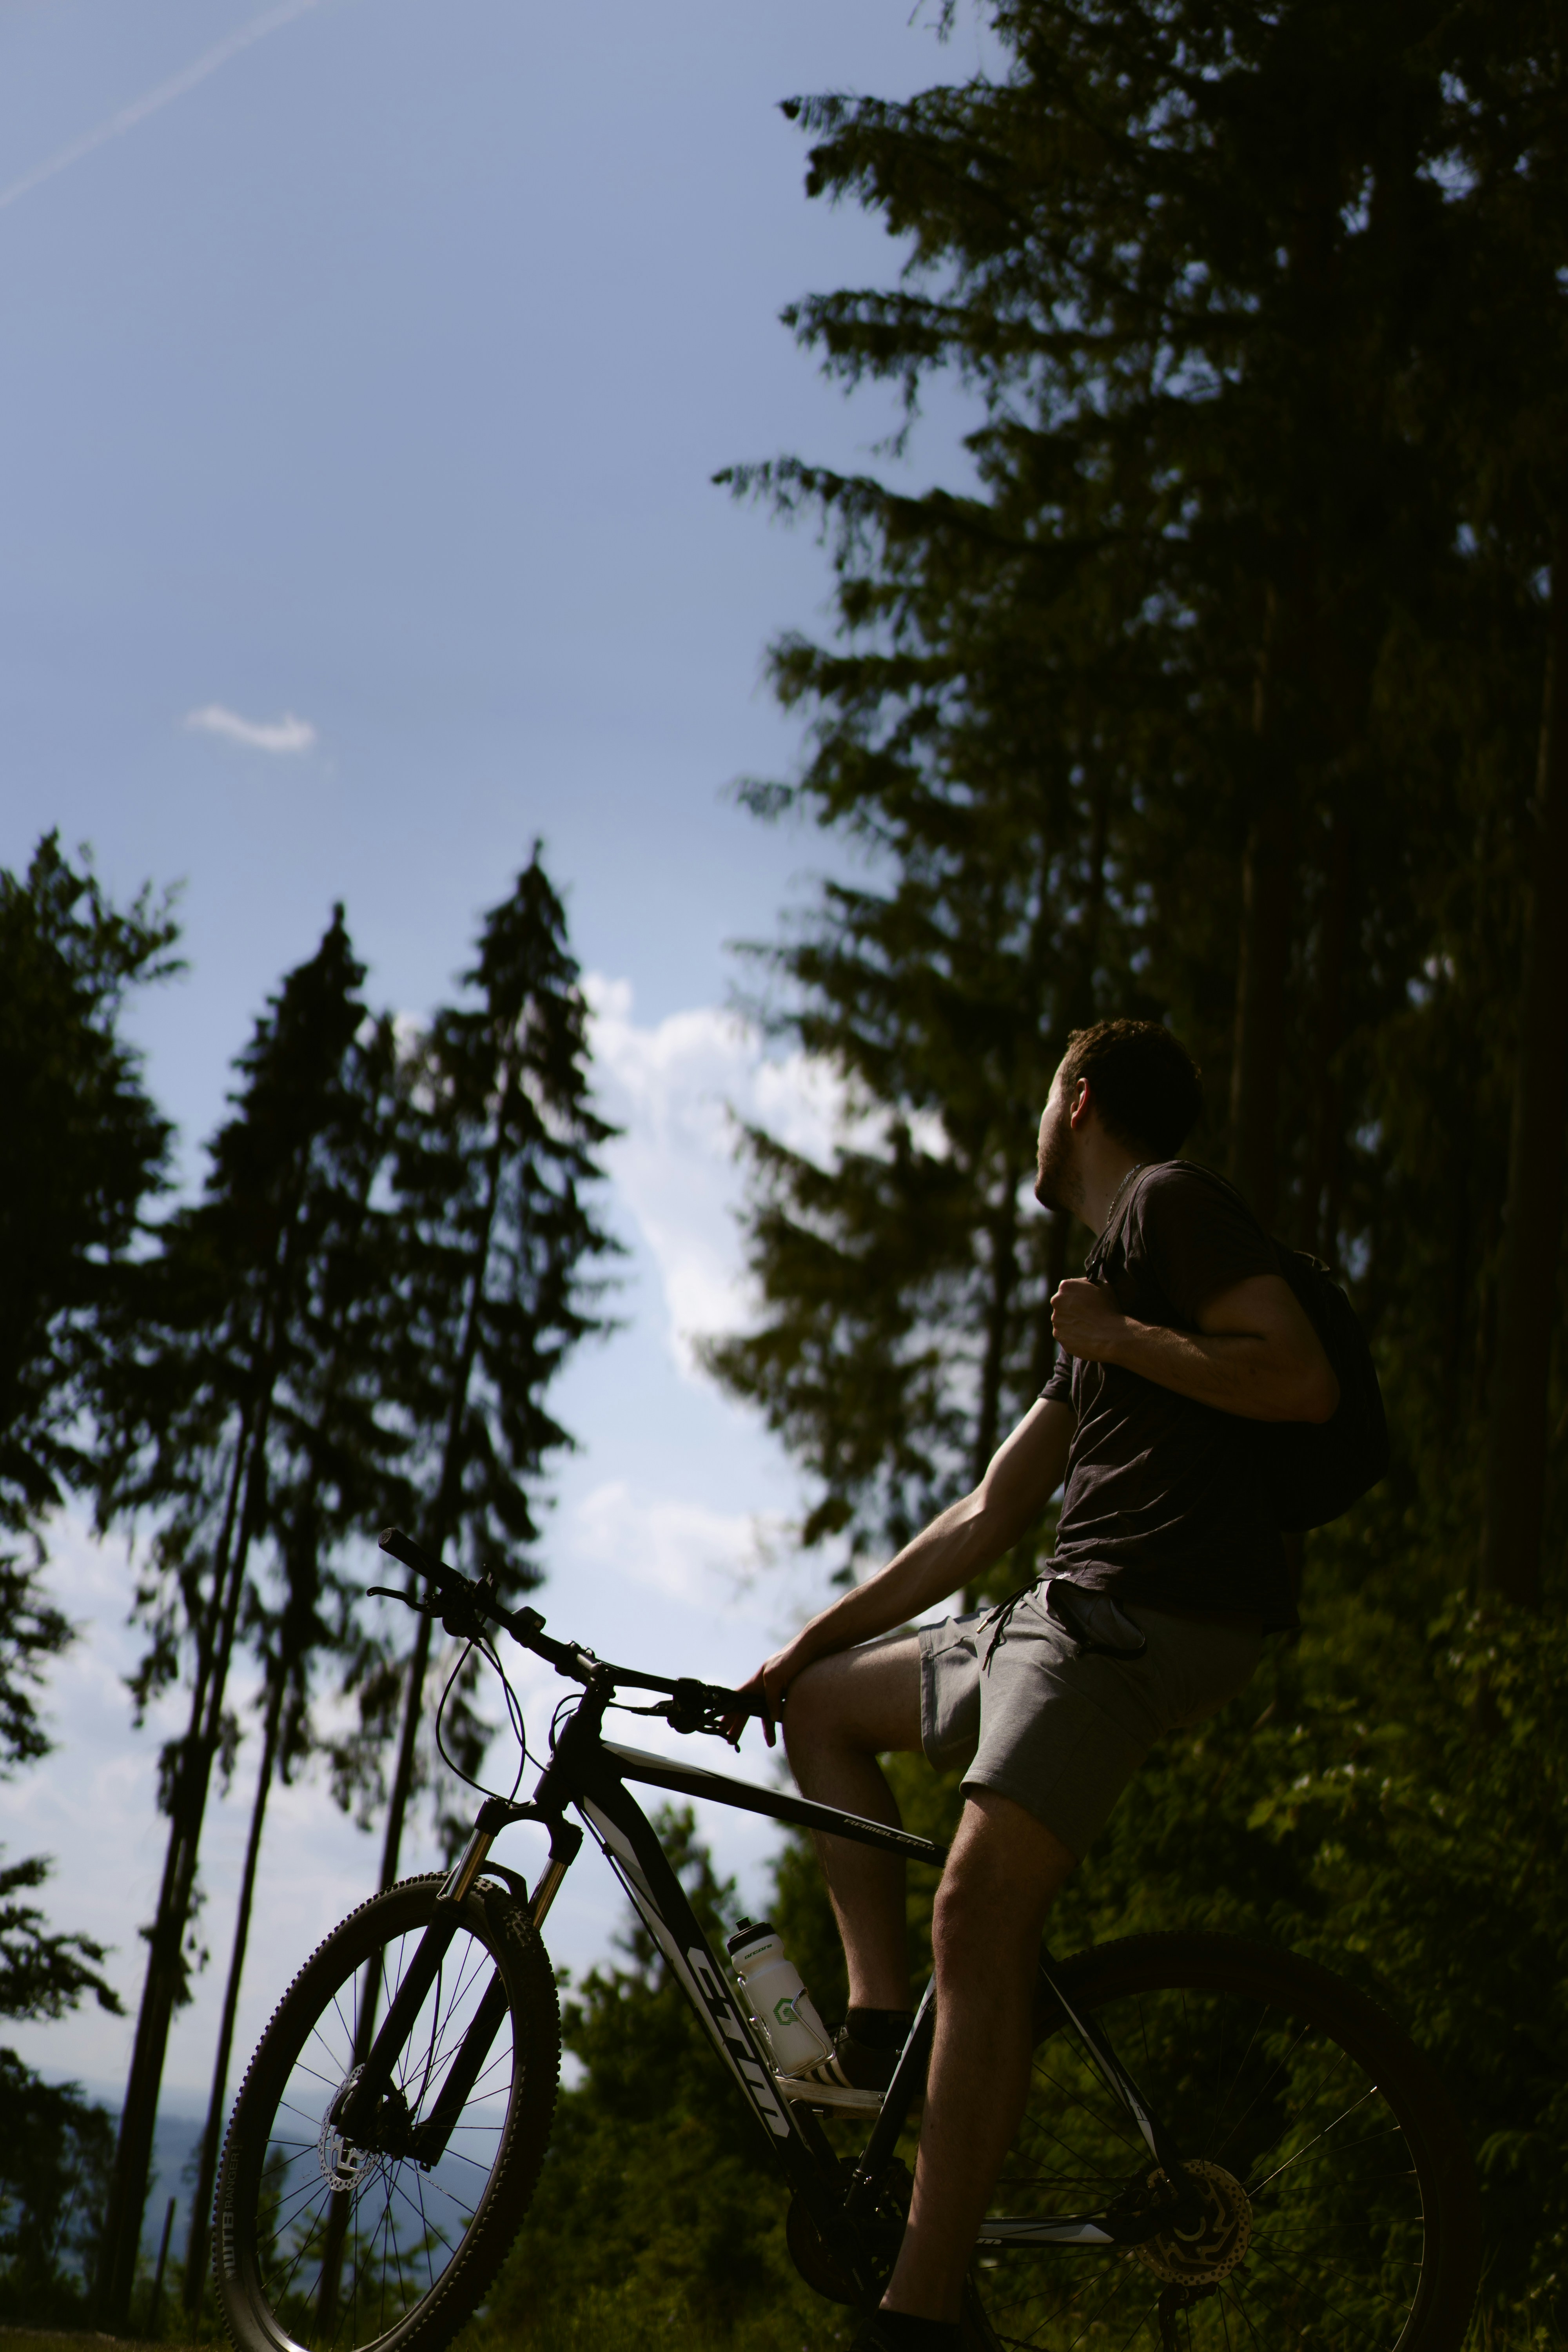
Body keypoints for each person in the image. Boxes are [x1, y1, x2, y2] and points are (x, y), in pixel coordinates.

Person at [728, 1019, 1339, 2352]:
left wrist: (1123, 1338)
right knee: (826, 1714)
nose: (1034, 1123)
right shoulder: (1105, 1283)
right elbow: (987, 1512)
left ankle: (925, 2314)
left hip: (1133, 1619)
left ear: (1076, 1100)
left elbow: (1297, 1377)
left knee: (979, 1905)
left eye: (1040, 1099)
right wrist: (803, 1651)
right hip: (1047, 1615)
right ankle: (884, 2031)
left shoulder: (1169, 1209)